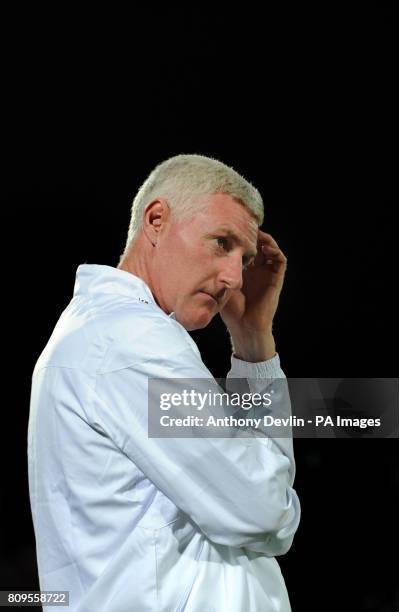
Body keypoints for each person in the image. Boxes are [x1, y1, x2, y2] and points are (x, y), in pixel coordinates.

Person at [28, 154, 301, 611]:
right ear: (156, 220)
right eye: (221, 242)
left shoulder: (98, 332)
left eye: (245, 257)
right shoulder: (134, 340)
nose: (234, 277)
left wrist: (253, 341)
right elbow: (265, 512)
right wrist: (282, 507)